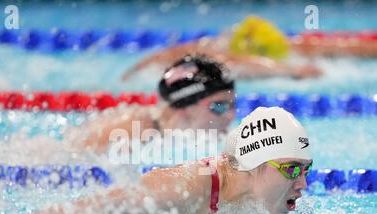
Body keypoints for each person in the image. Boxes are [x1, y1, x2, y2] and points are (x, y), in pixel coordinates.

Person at [0, 106, 313, 214]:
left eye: (306, 169)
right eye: (292, 169)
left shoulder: (251, 200)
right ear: (255, 162)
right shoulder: (184, 187)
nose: (303, 184)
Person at [63, 55, 235, 154]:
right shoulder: (133, 130)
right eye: (219, 106)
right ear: (185, 106)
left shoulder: (182, 137)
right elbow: (72, 155)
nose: (231, 115)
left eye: (233, 105)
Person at [122, 15, 376, 81]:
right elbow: (236, 62)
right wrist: (291, 71)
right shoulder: (214, 52)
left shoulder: (206, 47)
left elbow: (334, 46)